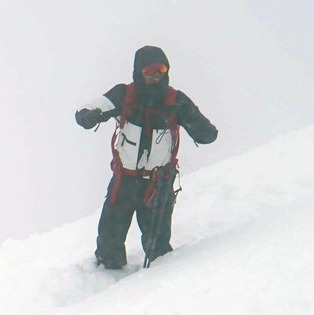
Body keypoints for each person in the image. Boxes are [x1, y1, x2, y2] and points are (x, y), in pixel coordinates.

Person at [75, 46, 218, 269]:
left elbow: (206, 131)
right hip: (125, 180)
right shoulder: (124, 94)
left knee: (158, 245)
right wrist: (88, 116)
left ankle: (159, 282)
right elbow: (93, 106)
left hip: (158, 183)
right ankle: (106, 278)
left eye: (160, 69)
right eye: (149, 70)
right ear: (138, 71)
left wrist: (201, 129)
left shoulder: (176, 100)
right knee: (109, 239)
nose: (155, 74)